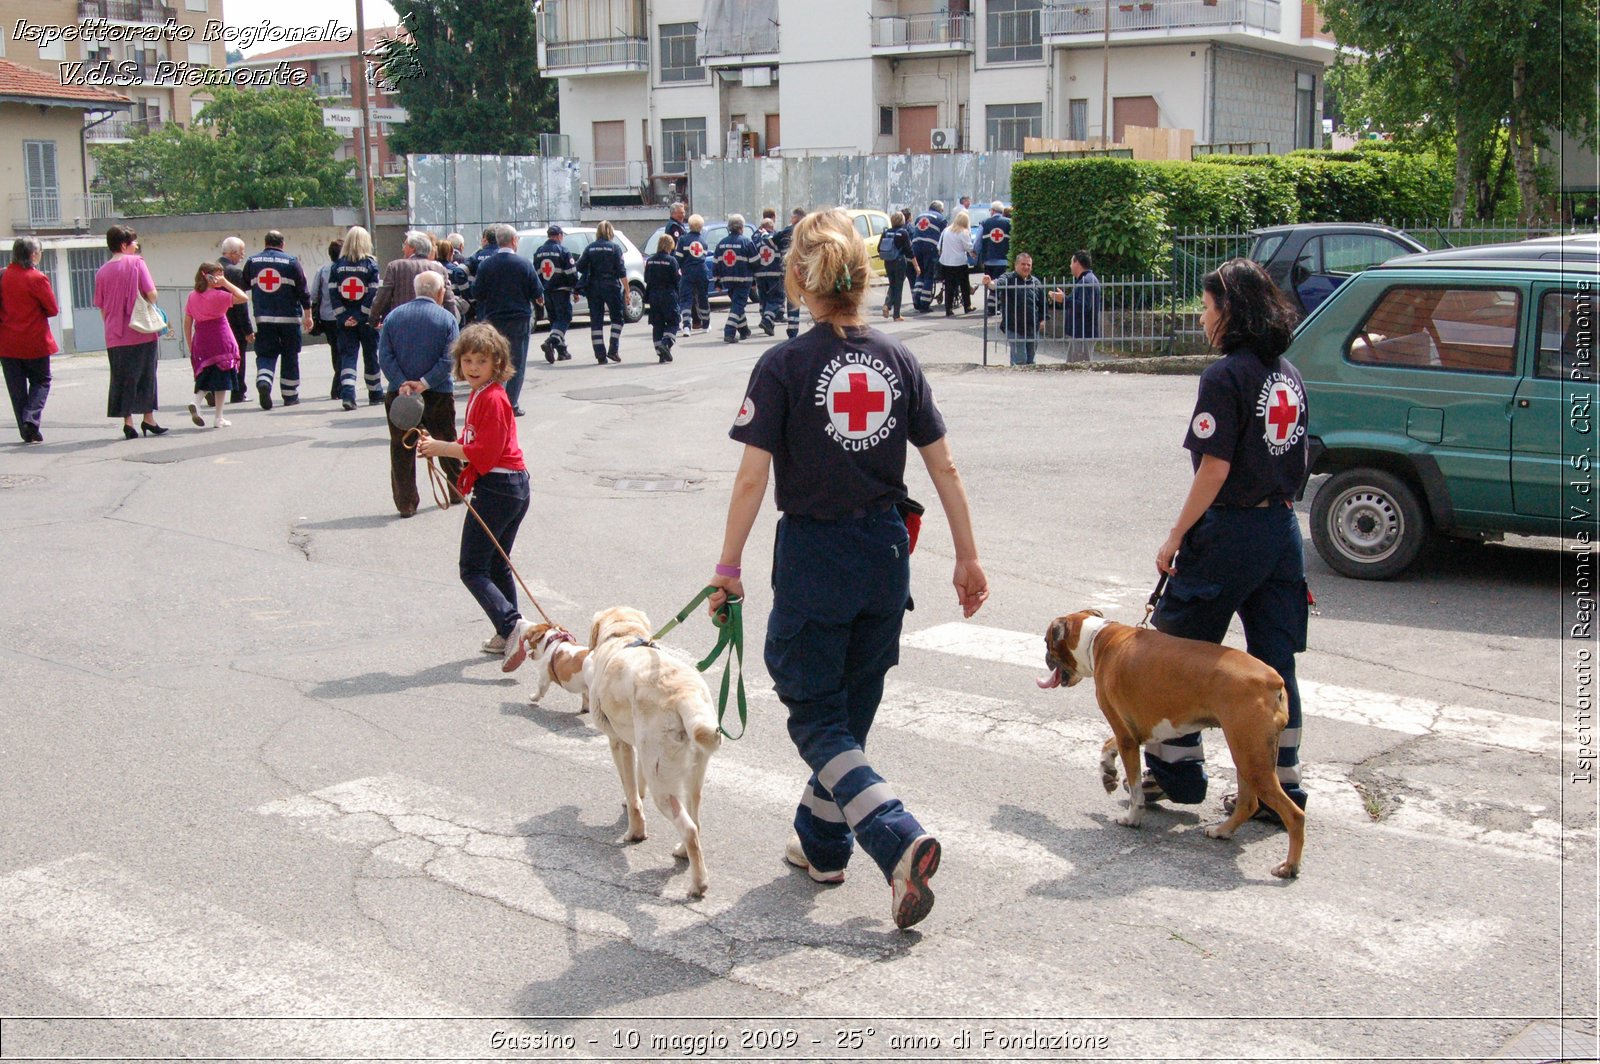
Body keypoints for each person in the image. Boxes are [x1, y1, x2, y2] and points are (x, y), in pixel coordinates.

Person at [707, 207, 990, 931]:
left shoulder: (783, 364)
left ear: (800, 281)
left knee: (813, 712)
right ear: (864, 278)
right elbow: (944, 464)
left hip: (817, 555)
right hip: (886, 554)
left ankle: (894, 837)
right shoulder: (898, 359)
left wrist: (728, 566)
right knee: (850, 712)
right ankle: (823, 846)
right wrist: (966, 555)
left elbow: (750, 482)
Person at [1146, 257, 1309, 826]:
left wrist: (1175, 536)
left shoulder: (1224, 376)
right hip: (1280, 531)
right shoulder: (1286, 371)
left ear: (1230, 310)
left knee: (1171, 650)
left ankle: (1175, 770)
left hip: (1230, 531)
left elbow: (1213, 470)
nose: (1202, 315)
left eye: (1208, 305)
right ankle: (1279, 787)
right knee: (1275, 661)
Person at [416, 324, 534, 671]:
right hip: (507, 487)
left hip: (501, 488)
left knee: (472, 568)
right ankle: (508, 630)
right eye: (467, 359)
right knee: (497, 562)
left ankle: (513, 626)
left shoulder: (494, 397)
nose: (472, 367)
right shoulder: (482, 393)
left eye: (481, 360)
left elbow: (485, 452)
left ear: (498, 362)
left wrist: (443, 448)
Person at [378, 270, 461, 518]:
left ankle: (406, 503)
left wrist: (403, 381)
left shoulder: (393, 317)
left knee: (401, 448)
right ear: (439, 292)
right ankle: (457, 489)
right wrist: (425, 383)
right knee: (446, 441)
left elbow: (385, 356)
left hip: (400, 395)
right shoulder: (446, 319)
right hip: (438, 393)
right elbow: (450, 358)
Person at [92, 224, 166, 438]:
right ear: (124, 245)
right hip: (141, 330)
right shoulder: (136, 263)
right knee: (146, 375)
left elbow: (101, 306)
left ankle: (128, 422)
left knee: (122, 377)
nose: (136, 246)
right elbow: (152, 294)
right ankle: (148, 418)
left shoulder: (102, 271)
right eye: (133, 243)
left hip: (115, 334)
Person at [471, 224, 544, 414]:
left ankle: (495, 403)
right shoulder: (524, 264)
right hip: (519, 319)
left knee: (495, 362)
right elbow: (536, 291)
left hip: (494, 320)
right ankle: (511, 404)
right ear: (513, 241)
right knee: (517, 362)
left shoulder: (486, 265)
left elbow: (477, 293)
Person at [243, 230, 313, 410]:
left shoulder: (252, 262)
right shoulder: (291, 262)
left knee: (266, 354)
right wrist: (308, 316)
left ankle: (264, 380)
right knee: (290, 355)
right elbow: (303, 292)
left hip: (263, 319)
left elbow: (243, 286)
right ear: (282, 244)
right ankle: (290, 396)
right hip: (289, 318)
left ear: (265, 243)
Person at [0, 236, 59, 443]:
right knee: (42, 381)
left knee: (16, 390)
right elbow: (52, 309)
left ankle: (26, 430)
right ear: (33, 254)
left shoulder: (3, 276)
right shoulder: (37, 278)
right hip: (34, 341)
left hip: (7, 343)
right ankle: (31, 420)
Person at [182, 261, 247, 429]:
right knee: (223, 376)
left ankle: (198, 402)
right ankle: (217, 416)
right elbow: (243, 297)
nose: (220, 278)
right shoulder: (219, 296)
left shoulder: (192, 296)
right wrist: (226, 283)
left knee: (207, 373)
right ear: (209, 276)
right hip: (220, 337)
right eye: (218, 275)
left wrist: (191, 344)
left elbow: (187, 322)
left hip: (201, 338)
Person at [329, 227, 384, 410]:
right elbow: (373, 293)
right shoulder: (370, 265)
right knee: (370, 355)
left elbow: (333, 294)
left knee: (348, 357)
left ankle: (347, 395)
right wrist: (361, 315)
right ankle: (375, 393)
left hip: (345, 321)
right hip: (366, 320)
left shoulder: (337, 266)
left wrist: (344, 316)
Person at [981, 252, 1064, 366]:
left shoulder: (1035, 282)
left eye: (1029, 265)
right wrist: (989, 282)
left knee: (1031, 361)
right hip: (1014, 327)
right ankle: (1017, 381)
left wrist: (1043, 319)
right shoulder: (1008, 278)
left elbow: (1042, 303)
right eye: (1023, 264)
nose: (1026, 267)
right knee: (1020, 360)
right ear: (1016, 265)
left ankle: (1028, 382)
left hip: (1032, 328)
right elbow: (997, 284)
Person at [371, 231, 463, 326]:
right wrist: (453, 324)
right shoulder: (439, 270)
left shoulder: (395, 267)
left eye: (405, 245)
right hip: (431, 324)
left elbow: (383, 296)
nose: (403, 249)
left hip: (401, 324)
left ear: (413, 248)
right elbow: (448, 300)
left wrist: (373, 319)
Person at [575, 220, 627, 364]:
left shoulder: (590, 248)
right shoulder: (615, 248)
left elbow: (579, 266)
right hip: (611, 286)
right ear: (610, 232)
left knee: (596, 321)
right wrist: (627, 292)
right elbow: (622, 272)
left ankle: (600, 354)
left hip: (594, 287)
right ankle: (613, 349)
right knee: (617, 319)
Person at [531, 225, 577, 363]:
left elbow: (536, 275)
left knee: (555, 321)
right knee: (564, 318)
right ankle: (550, 342)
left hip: (547, 293)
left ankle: (562, 352)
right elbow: (571, 274)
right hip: (561, 291)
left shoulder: (538, 252)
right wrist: (575, 289)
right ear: (559, 236)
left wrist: (538, 293)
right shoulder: (563, 250)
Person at [307, 239, 343, 400]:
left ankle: (339, 384)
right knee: (345, 350)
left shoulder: (322, 270)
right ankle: (339, 386)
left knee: (335, 350)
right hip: (344, 317)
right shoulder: (347, 270)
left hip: (327, 317)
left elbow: (314, 295)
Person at [219, 237, 254, 403]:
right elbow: (241, 304)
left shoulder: (210, 270)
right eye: (241, 253)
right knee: (238, 357)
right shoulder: (234, 273)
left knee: (216, 358)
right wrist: (248, 330)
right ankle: (238, 391)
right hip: (234, 325)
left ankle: (214, 389)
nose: (242, 256)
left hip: (214, 323)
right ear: (232, 253)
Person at [713, 214, 757, 344]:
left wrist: (718, 281)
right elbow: (756, 262)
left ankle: (744, 330)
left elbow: (716, 264)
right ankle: (729, 331)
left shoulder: (721, 244)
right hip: (743, 280)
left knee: (737, 304)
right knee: (738, 305)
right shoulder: (747, 242)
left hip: (728, 281)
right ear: (741, 228)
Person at [644, 234, 682, 363]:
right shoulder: (672, 261)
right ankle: (665, 344)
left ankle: (660, 353)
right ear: (670, 246)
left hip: (653, 295)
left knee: (657, 324)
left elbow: (646, 279)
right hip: (668, 295)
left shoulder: (650, 261)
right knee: (673, 322)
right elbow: (677, 279)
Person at [876, 212, 917, 322]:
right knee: (898, 287)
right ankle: (896, 314)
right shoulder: (903, 233)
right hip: (899, 262)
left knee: (892, 284)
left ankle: (888, 305)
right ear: (902, 221)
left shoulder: (886, 232)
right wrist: (916, 266)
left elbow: (879, 248)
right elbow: (909, 252)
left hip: (888, 262)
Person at [752, 209, 787, 337]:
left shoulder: (755, 239)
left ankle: (768, 323)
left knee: (764, 299)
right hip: (775, 273)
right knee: (777, 298)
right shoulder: (776, 238)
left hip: (760, 273)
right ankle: (767, 319)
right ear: (771, 226)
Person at [1064, 249, 1103, 363]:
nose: (1070, 266)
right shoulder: (1086, 280)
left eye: (1071, 262)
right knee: (1072, 367)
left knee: (1079, 369)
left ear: (1077, 263)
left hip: (1082, 334)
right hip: (1080, 334)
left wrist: (1064, 299)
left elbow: (1084, 306)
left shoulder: (1086, 281)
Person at [676, 214, 712, 333]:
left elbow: (678, 259)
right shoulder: (703, 242)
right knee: (703, 297)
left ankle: (686, 326)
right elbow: (704, 257)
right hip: (702, 272)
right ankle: (706, 324)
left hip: (687, 274)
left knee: (686, 299)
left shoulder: (682, 240)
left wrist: (681, 268)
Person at [908, 200, 946, 313]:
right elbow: (945, 235)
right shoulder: (941, 219)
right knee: (929, 275)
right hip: (930, 248)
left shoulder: (920, 216)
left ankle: (916, 300)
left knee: (920, 274)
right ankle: (924, 304)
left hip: (916, 246)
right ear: (940, 210)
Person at [937, 211, 975, 316]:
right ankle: (967, 306)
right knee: (964, 285)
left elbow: (938, 246)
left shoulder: (946, 230)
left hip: (946, 262)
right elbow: (969, 247)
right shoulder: (963, 232)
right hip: (959, 262)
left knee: (949, 286)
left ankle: (948, 309)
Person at [976, 201, 1011, 315]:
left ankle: (992, 305)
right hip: (1004, 259)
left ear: (992, 211)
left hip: (988, 259)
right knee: (1000, 282)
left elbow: (978, 241)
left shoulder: (984, 223)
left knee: (990, 282)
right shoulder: (1009, 223)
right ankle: (994, 306)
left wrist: (975, 252)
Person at [776, 208, 805, 338]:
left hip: (789, 270)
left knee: (792, 299)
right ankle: (820, 328)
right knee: (814, 299)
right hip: (806, 270)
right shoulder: (809, 230)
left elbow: (773, 241)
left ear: (795, 218)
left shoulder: (787, 230)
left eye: (791, 217)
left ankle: (792, 331)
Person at [438, 237, 473, 329]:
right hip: (454, 307)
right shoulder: (454, 270)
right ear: (450, 253)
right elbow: (462, 288)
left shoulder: (431, 267)